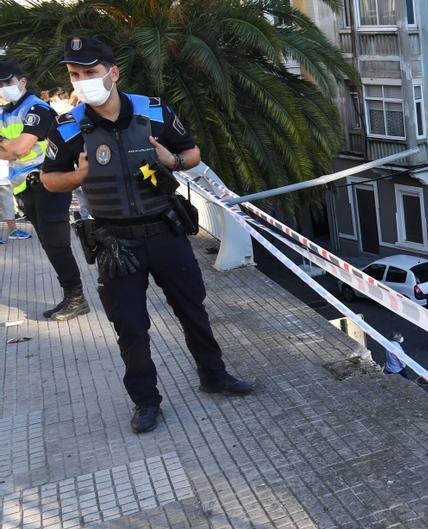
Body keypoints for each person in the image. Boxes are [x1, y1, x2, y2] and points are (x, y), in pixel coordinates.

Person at [40, 36, 253, 433]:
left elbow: (192, 154)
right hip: (115, 243)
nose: (83, 80)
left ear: (113, 72)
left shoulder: (154, 112)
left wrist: (171, 160)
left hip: (165, 232)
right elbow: (49, 180)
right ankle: (145, 401)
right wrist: (78, 176)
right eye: (74, 74)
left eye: (90, 72)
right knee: (131, 327)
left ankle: (214, 375)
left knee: (194, 312)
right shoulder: (67, 129)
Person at [0, 59, 89, 319]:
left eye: (8, 82)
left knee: (57, 244)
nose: (4, 87)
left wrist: (9, 146)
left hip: (49, 183)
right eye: (0, 84)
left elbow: (19, 149)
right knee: (50, 246)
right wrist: (8, 146)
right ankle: (71, 295)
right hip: (26, 188)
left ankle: (77, 298)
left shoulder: (36, 109)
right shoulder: (7, 112)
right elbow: (10, 149)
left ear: (22, 81)